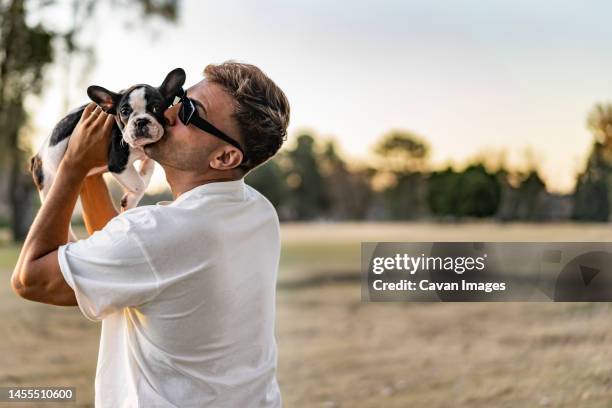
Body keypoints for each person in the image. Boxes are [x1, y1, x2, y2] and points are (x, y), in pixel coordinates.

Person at [11, 61, 290, 407]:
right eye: (178, 100)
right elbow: (121, 254)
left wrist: (71, 169)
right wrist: (92, 169)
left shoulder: (158, 235)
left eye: (189, 111)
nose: (170, 113)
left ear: (225, 156)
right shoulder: (258, 211)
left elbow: (31, 279)